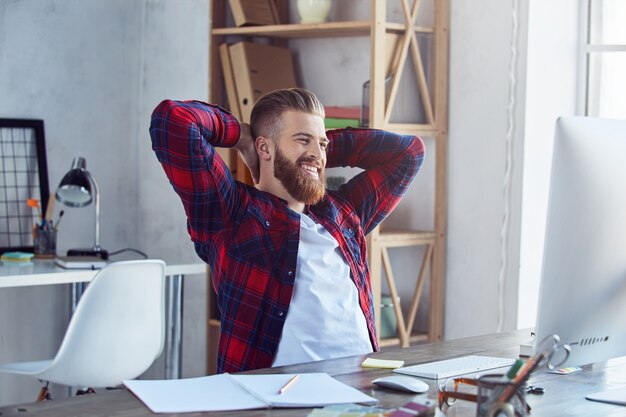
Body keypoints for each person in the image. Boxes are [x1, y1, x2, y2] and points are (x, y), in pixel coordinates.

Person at [150, 88, 424, 374]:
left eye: (322, 144)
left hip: (361, 392)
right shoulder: (232, 213)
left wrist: (317, 149)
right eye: (302, 140)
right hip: (274, 399)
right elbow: (173, 120)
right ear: (264, 148)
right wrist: (242, 137)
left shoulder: (342, 213)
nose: (317, 154)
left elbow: (410, 153)